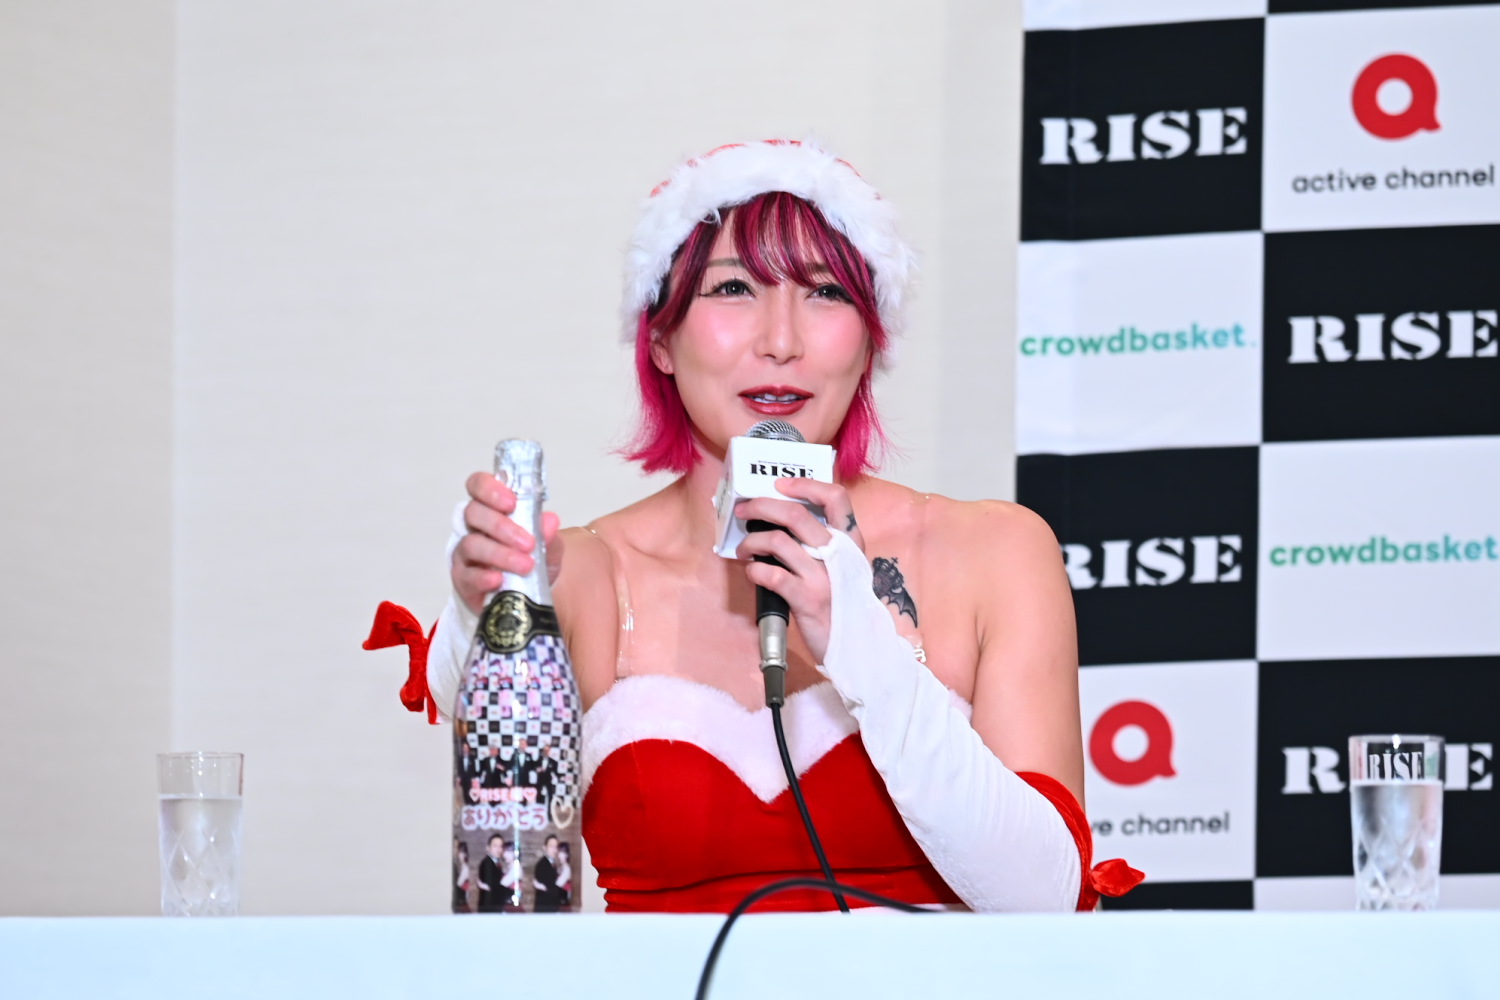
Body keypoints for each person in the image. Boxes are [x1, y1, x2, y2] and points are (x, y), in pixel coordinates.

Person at [428, 139, 1141, 913]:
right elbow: (504, 876)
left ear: (871, 340)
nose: (781, 341)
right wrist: (483, 613)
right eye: (733, 288)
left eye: (826, 292)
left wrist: (865, 648)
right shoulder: (592, 574)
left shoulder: (994, 553)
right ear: (660, 339)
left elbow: (1047, 902)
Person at [532, 834, 565, 912]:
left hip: (551, 908)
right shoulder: (542, 865)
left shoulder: (554, 864)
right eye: (551, 846)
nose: (554, 849)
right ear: (545, 848)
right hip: (545, 909)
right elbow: (550, 889)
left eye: (556, 846)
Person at [475, 834, 507, 913]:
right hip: (489, 908)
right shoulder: (487, 863)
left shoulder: (496, 863)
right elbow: (494, 887)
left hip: (494, 907)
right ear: (488, 848)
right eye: (495, 846)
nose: (498, 849)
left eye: (500, 846)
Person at [453, 839, 472, 913]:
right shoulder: (462, 867)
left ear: (466, 854)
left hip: (463, 903)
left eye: (462, 852)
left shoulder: (465, 868)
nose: (460, 855)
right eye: (459, 852)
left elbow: (458, 884)